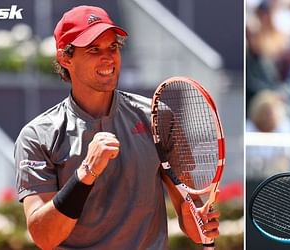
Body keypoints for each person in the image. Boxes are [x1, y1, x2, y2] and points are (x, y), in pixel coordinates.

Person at [14, 5, 219, 249]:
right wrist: (86, 173)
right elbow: (44, 236)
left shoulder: (157, 117)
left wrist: (200, 223)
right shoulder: (36, 136)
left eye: (113, 47)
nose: (108, 57)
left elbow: (192, 218)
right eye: (94, 49)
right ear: (65, 58)